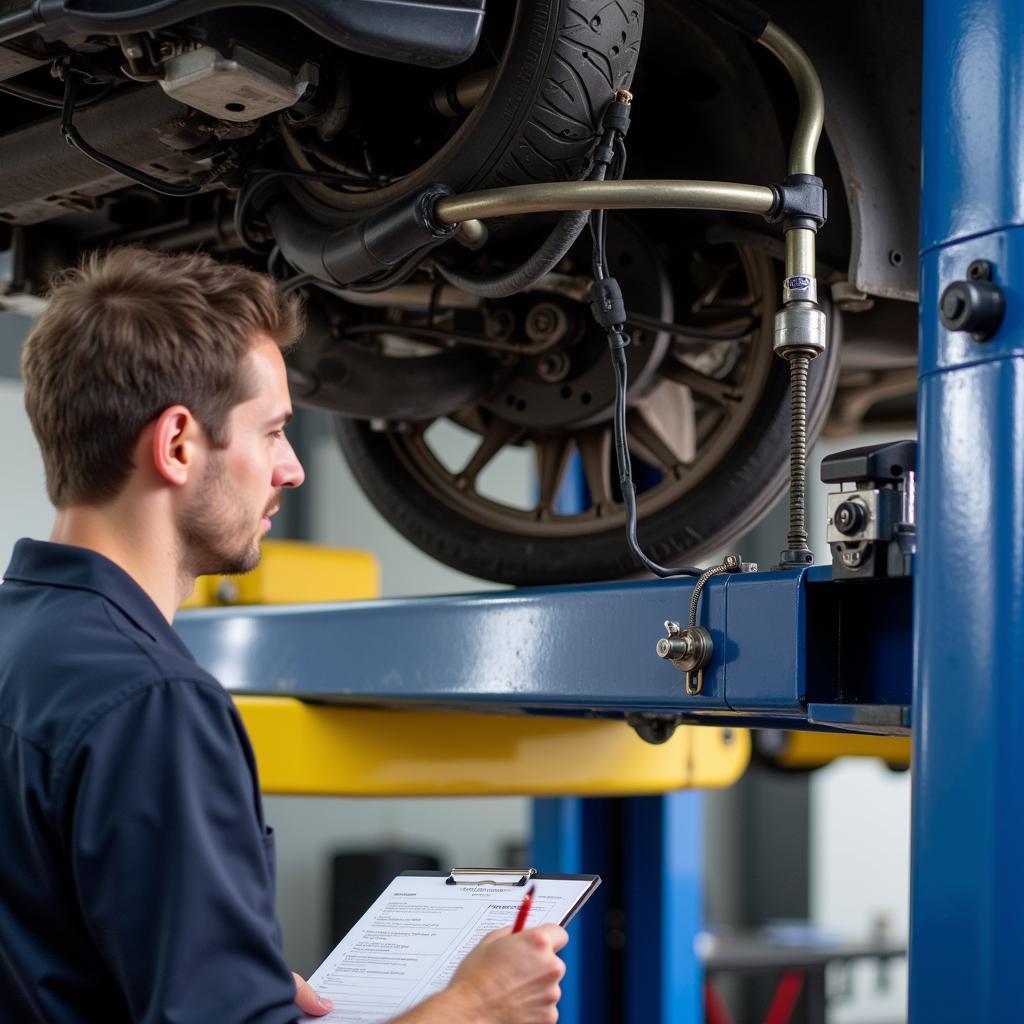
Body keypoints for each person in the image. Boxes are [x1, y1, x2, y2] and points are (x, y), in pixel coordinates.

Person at [0, 247, 569, 1023]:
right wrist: (475, 1004)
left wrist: (227, 969)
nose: (292, 469)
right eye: (271, 432)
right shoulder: (151, 704)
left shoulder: (22, 650)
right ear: (176, 445)